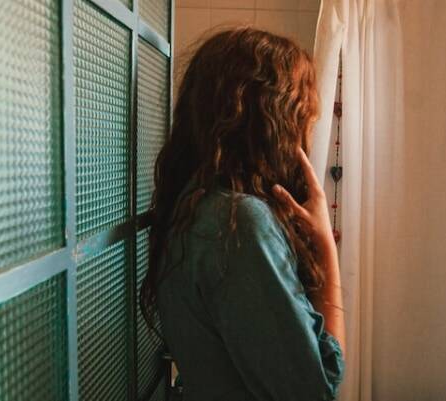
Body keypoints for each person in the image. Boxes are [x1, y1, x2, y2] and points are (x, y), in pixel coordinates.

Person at [140, 26, 346, 401]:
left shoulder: (194, 204)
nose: (307, 134)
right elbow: (315, 390)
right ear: (273, 123)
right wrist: (326, 252)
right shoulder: (239, 223)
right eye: (303, 117)